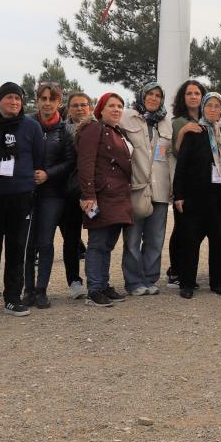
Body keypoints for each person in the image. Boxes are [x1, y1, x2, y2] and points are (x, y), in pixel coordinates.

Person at [0, 81, 46, 321]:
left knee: (17, 248)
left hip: (21, 195)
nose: (14, 103)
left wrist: (31, 177)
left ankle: (13, 298)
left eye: (18, 99)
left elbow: (39, 158)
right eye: (9, 98)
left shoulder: (32, 127)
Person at [172, 93, 221, 298]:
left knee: (220, 241)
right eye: (209, 105)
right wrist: (179, 195)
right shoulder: (194, 132)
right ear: (203, 108)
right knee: (190, 240)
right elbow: (181, 165)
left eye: (217, 106)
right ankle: (187, 283)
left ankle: (217, 282)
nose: (213, 109)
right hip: (195, 196)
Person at [76, 93, 134, 307]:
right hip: (101, 195)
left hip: (119, 195)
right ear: (100, 109)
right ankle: (94, 289)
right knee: (98, 243)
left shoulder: (118, 132)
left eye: (120, 106)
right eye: (112, 106)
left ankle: (104, 284)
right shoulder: (94, 129)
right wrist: (88, 194)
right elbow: (86, 162)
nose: (117, 109)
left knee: (108, 244)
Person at [23, 82, 75, 309]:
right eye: (43, 98)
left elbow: (70, 161)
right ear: (37, 100)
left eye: (51, 99)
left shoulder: (64, 131)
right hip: (25, 192)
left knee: (45, 242)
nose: (46, 103)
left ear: (59, 102)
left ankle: (42, 289)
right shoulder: (25, 124)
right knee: (27, 243)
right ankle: (28, 289)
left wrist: (48, 174)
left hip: (53, 193)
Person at [120, 81, 173, 296]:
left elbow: (170, 156)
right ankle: (133, 281)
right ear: (142, 96)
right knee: (132, 238)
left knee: (155, 238)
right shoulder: (127, 117)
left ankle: (150, 278)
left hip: (160, 187)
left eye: (157, 95)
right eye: (150, 94)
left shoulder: (166, 123)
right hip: (136, 186)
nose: (153, 98)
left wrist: (174, 183)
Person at [165, 79, 206, 289]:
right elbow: (177, 152)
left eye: (197, 93)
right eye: (189, 93)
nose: (193, 96)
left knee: (196, 230)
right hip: (185, 182)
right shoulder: (177, 122)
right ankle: (175, 270)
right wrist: (183, 131)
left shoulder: (208, 120)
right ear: (183, 97)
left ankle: (186, 268)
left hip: (203, 183)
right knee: (181, 228)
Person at [60, 92, 93, 299]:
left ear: (90, 107)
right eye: (75, 105)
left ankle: (97, 279)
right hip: (69, 193)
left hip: (93, 193)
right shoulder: (62, 131)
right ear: (68, 109)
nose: (80, 109)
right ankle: (74, 280)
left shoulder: (99, 129)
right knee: (71, 240)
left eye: (83, 105)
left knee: (97, 239)